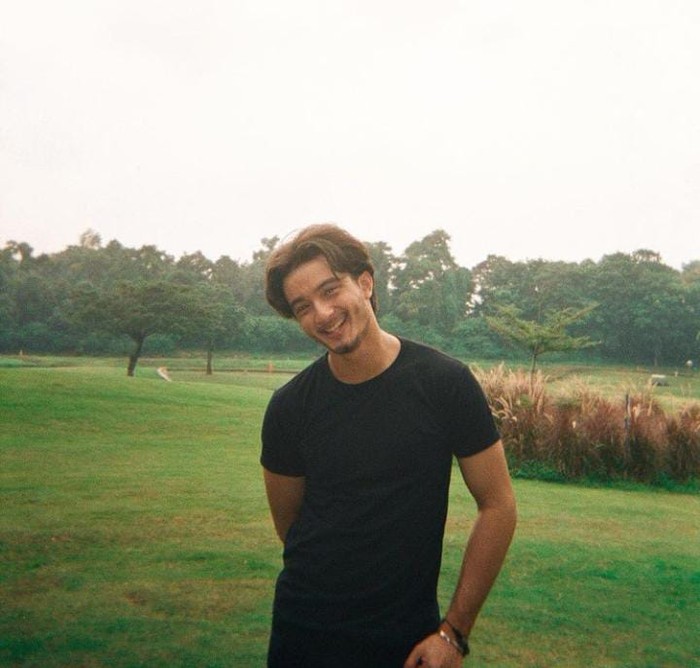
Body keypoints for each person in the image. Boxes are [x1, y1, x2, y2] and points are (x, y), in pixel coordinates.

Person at [260, 224, 517, 667]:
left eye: (330, 290)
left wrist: (454, 633)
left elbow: (498, 506)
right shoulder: (289, 408)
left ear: (365, 283)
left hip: (406, 644)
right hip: (303, 639)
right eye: (303, 307)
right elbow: (292, 529)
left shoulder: (445, 384)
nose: (322, 313)